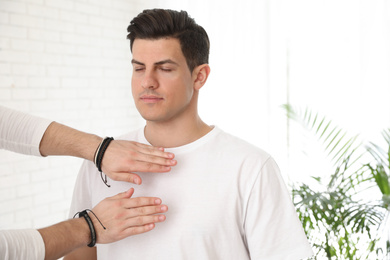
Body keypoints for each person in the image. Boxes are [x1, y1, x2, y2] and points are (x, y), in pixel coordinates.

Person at [65, 9, 314, 260]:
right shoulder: (100, 163)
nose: (147, 82)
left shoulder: (250, 168)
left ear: (199, 76)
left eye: (164, 69)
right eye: (139, 68)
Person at [0, 105, 177, 260]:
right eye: (138, 68)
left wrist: (99, 149)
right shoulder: (93, 169)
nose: (147, 82)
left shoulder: (106, 158)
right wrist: (88, 226)